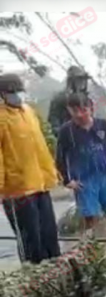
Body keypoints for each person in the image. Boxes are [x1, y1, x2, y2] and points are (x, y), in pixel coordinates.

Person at [0, 73, 62, 264]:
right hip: (17, 190)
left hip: (41, 184)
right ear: (2, 94)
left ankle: (57, 278)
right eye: (12, 92)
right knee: (31, 242)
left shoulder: (29, 112)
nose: (17, 95)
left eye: (19, 91)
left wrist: (52, 170)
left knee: (50, 237)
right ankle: (35, 283)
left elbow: (40, 145)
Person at [56, 93, 106, 241]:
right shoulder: (66, 131)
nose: (80, 114)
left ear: (91, 108)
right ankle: (91, 250)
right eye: (75, 111)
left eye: (84, 110)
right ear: (69, 110)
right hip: (84, 181)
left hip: (105, 177)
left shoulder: (104, 126)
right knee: (90, 217)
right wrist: (67, 180)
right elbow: (60, 158)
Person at [48, 65, 93, 133]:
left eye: (83, 80)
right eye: (79, 80)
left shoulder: (87, 99)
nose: (82, 83)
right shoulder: (61, 98)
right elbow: (54, 119)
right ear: (71, 81)